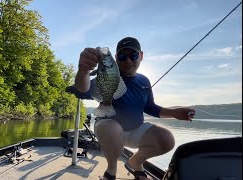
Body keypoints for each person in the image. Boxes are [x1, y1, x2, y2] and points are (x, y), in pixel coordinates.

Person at [74, 37, 195, 180]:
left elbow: (150, 107)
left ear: (141, 56)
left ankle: (135, 163)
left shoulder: (144, 81)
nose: (128, 60)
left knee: (167, 139)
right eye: (122, 56)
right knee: (113, 128)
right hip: (108, 130)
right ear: (116, 59)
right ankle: (111, 170)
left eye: (133, 55)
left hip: (135, 130)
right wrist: (83, 71)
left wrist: (174, 113)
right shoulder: (108, 75)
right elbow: (83, 90)